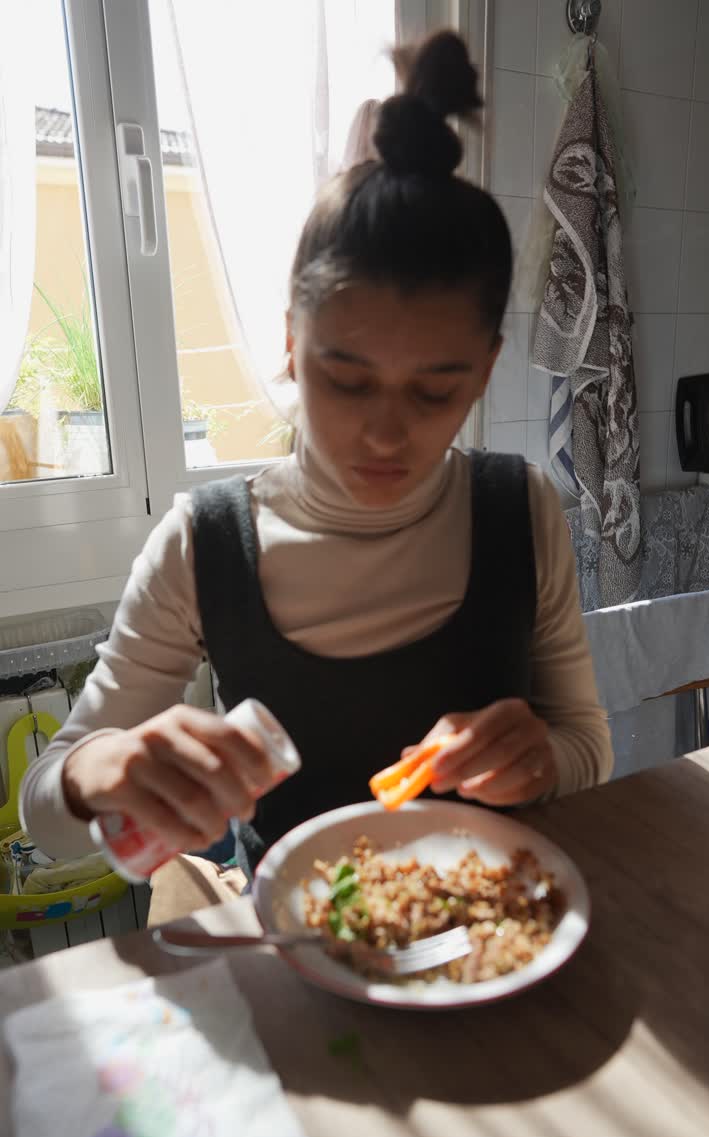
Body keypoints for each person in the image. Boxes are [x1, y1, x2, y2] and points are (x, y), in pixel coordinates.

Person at [20, 31, 612, 893]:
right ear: (292, 345)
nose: (384, 434)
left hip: (491, 935)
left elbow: (587, 746)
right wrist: (102, 767)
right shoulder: (206, 543)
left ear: (484, 371)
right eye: (346, 378)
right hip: (302, 956)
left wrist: (544, 759)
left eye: (434, 392)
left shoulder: (520, 510)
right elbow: (47, 805)